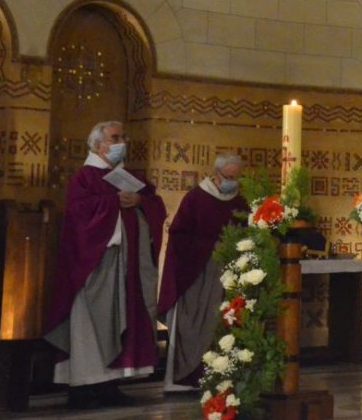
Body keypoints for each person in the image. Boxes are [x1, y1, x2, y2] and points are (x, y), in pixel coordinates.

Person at [45, 121, 166, 410]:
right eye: (115, 137)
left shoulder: (127, 176)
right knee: (88, 327)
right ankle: (83, 389)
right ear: (97, 144)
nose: (122, 141)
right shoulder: (84, 178)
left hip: (126, 266)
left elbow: (156, 205)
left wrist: (139, 200)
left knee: (120, 324)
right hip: (94, 265)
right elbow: (78, 215)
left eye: (123, 136)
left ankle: (110, 386)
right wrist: (113, 203)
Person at [157, 153, 246, 392]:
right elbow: (178, 235)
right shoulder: (196, 198)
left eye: (236, 178)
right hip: (196, 273)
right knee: (194, 326)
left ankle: (220, 376)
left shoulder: (239, 202)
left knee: (221, 325)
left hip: (227, 276)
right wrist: (211, 247)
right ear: (216, 175)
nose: (232, 182)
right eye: (228, 177)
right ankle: (187, 377)